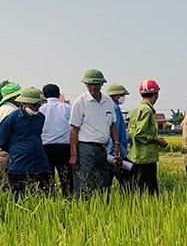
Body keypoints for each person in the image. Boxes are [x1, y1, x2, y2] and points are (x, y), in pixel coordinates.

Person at [69, 69, 122, 198]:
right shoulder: (80, 103)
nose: (93, 87)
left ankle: (102, 208)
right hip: (86, 148)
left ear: (102, 85)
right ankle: (84, 212)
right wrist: (74, 154)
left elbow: (112, 124)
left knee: (103, 182)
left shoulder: (108, 101)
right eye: (90, 84)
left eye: (96, 84)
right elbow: (74, 130)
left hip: (102, 149)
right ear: (86, 85)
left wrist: (116, 144)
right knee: (85, 184)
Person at [0, 88, 51, 196]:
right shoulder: (12, 118)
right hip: (19, 165)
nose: (37, 108)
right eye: (34, 105)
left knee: (42, 196)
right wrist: (17, 150)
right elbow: (2, 140)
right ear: (25, 103)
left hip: (40, 163)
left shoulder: (40, 118)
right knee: (19, 196)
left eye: (39, 105)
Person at [127, 80, 167, 195]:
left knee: (138, 190)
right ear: (156, 95)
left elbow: (132, 132)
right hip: (146, 156)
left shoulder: (134, 111)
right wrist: (157, 141)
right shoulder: (147, 110)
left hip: (135, 155)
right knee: (150, 191)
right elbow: (139, 133)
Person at [39, 84, 74, 196]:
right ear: (59, 95)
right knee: (66, 179)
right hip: (64, 147)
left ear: (43, 96)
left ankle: (50, 200)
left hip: (45, 148)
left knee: (47, 179)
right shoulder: (68, 108)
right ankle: (68, 200)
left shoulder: (40, 109)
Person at [106, 83, 133, 189]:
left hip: (109, 152)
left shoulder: (107, 107)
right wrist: (117, 150)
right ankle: (128, 202)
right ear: (116, 96)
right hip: (116, 152)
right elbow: (115, 131)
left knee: (106, 182)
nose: (123, 98)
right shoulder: (115, 108)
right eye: (122, 95)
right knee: (128, 183)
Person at [0, 82, 22, 188]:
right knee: (7, 184)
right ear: (14, 98)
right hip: (6, 152)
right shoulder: (12, 111)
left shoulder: (3, 108)